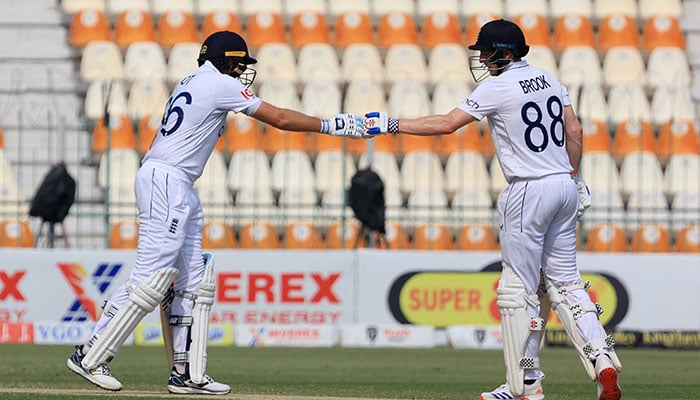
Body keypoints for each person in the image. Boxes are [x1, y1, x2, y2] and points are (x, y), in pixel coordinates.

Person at [67, 30, 365, 395]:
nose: (242, 71)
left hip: (178, 182)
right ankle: (91, 354)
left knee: (195, 278)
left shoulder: (195, 80)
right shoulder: (219, 83)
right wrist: (336, 124)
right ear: (227, 61)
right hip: (167, 180)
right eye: (239, 63)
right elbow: (281, 119)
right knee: (151, 276)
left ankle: (186, 372)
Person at [364, 19, 622, 400]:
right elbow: (576, 131)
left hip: (528, 191)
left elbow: (447, 124)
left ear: (504, 53)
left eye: (486, 52)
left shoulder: (497, 87)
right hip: (564, 186)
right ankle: (602, 360)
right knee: (564, 283)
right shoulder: (549, 79)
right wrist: (572, 176)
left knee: (517, 291)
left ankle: (523, 386)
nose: (482, 58)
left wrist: (391, 123)